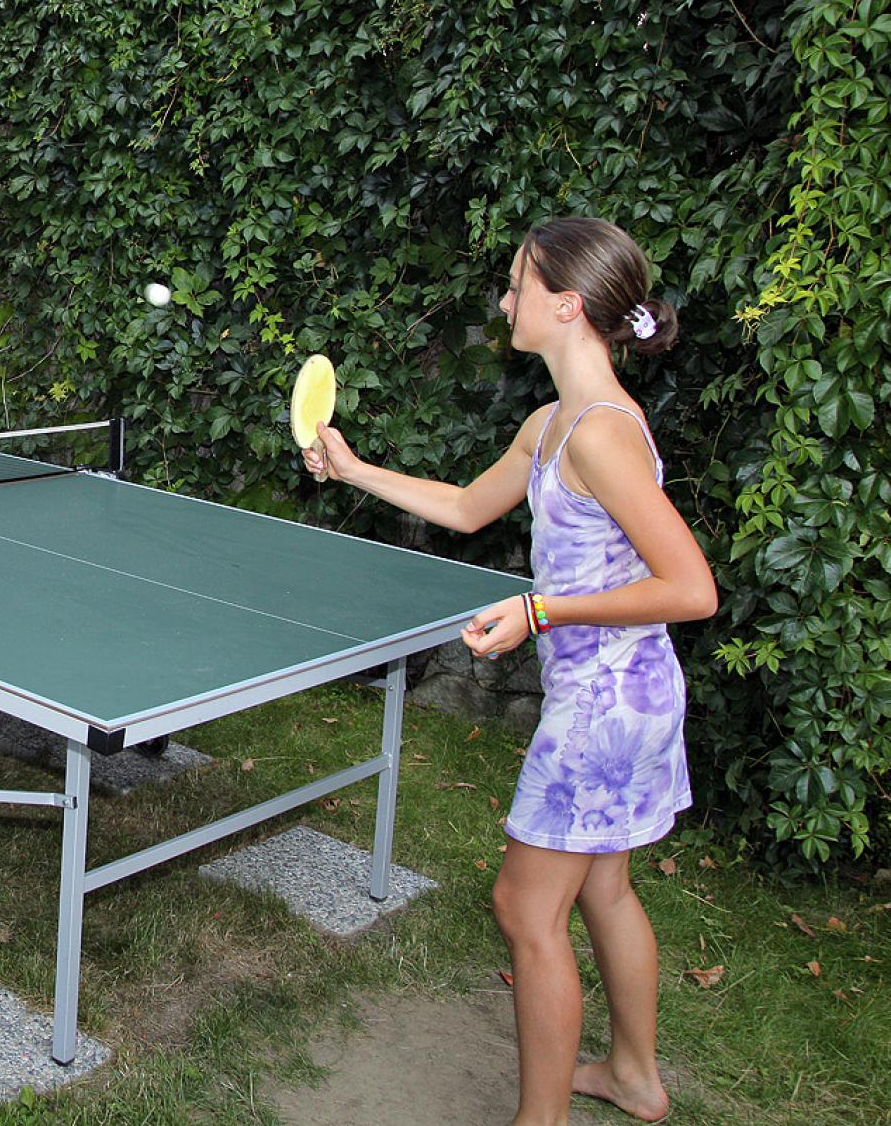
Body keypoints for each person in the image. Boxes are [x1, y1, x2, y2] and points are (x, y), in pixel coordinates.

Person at [302, 217, 715, 1126]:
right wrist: (353, 466)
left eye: (519, 284)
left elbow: (691, 589)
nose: (505, 300)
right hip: (626, 693)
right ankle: (635, 1076)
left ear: (566, 305)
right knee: (603, 886)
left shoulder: (601, 434)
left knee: (526, 912)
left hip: (608, 703)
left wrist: (541, 610)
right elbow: (461, 508)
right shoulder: (553, 422)